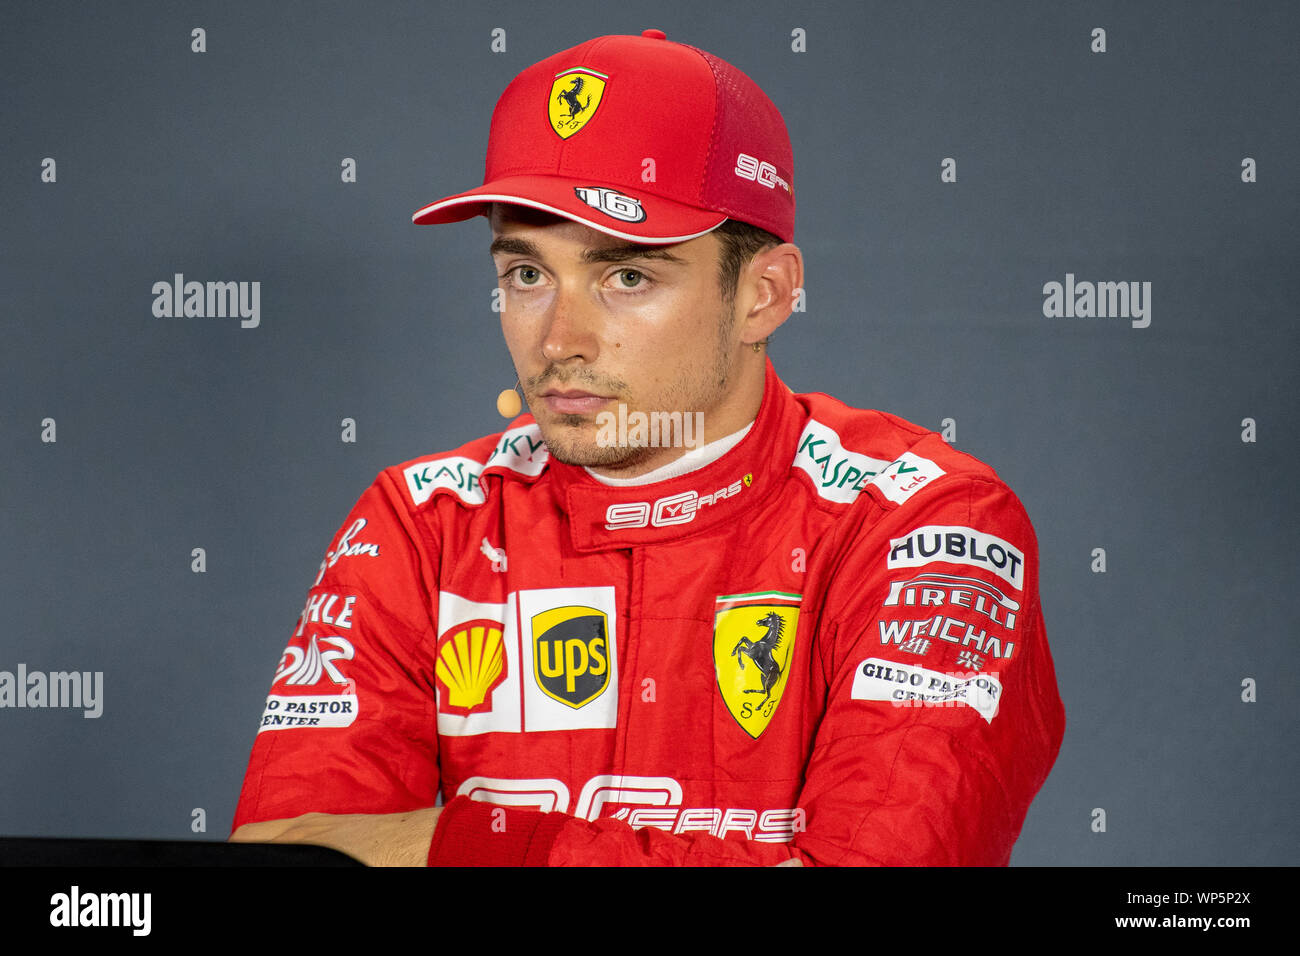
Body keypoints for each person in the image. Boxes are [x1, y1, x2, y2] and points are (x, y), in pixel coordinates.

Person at [230, 30, 1065, 866]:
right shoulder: (425, 520)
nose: (560, 340)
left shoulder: (926, 523)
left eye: (628, 276)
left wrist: (464, 843)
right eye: (526, 274)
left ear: (764, 296)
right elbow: (287, 857)